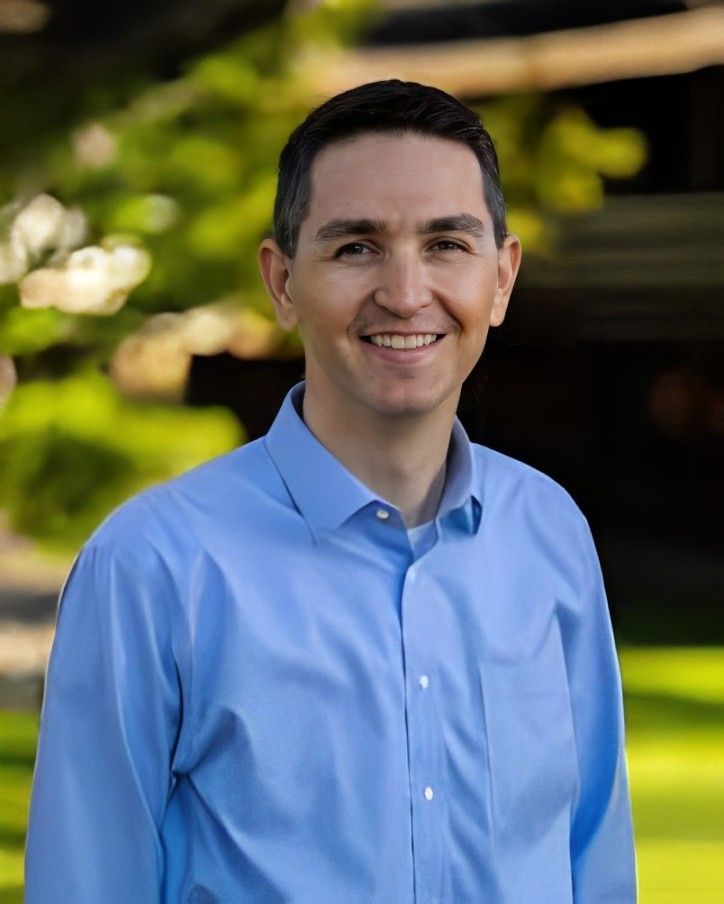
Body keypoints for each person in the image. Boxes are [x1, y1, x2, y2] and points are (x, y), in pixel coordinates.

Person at [25, 79, 637, 902]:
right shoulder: (151, 567)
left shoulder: (549, 533)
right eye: (356, 247)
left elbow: (594, 860)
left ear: (501, 278)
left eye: (447, 243)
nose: (406, 292)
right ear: (281, 283)